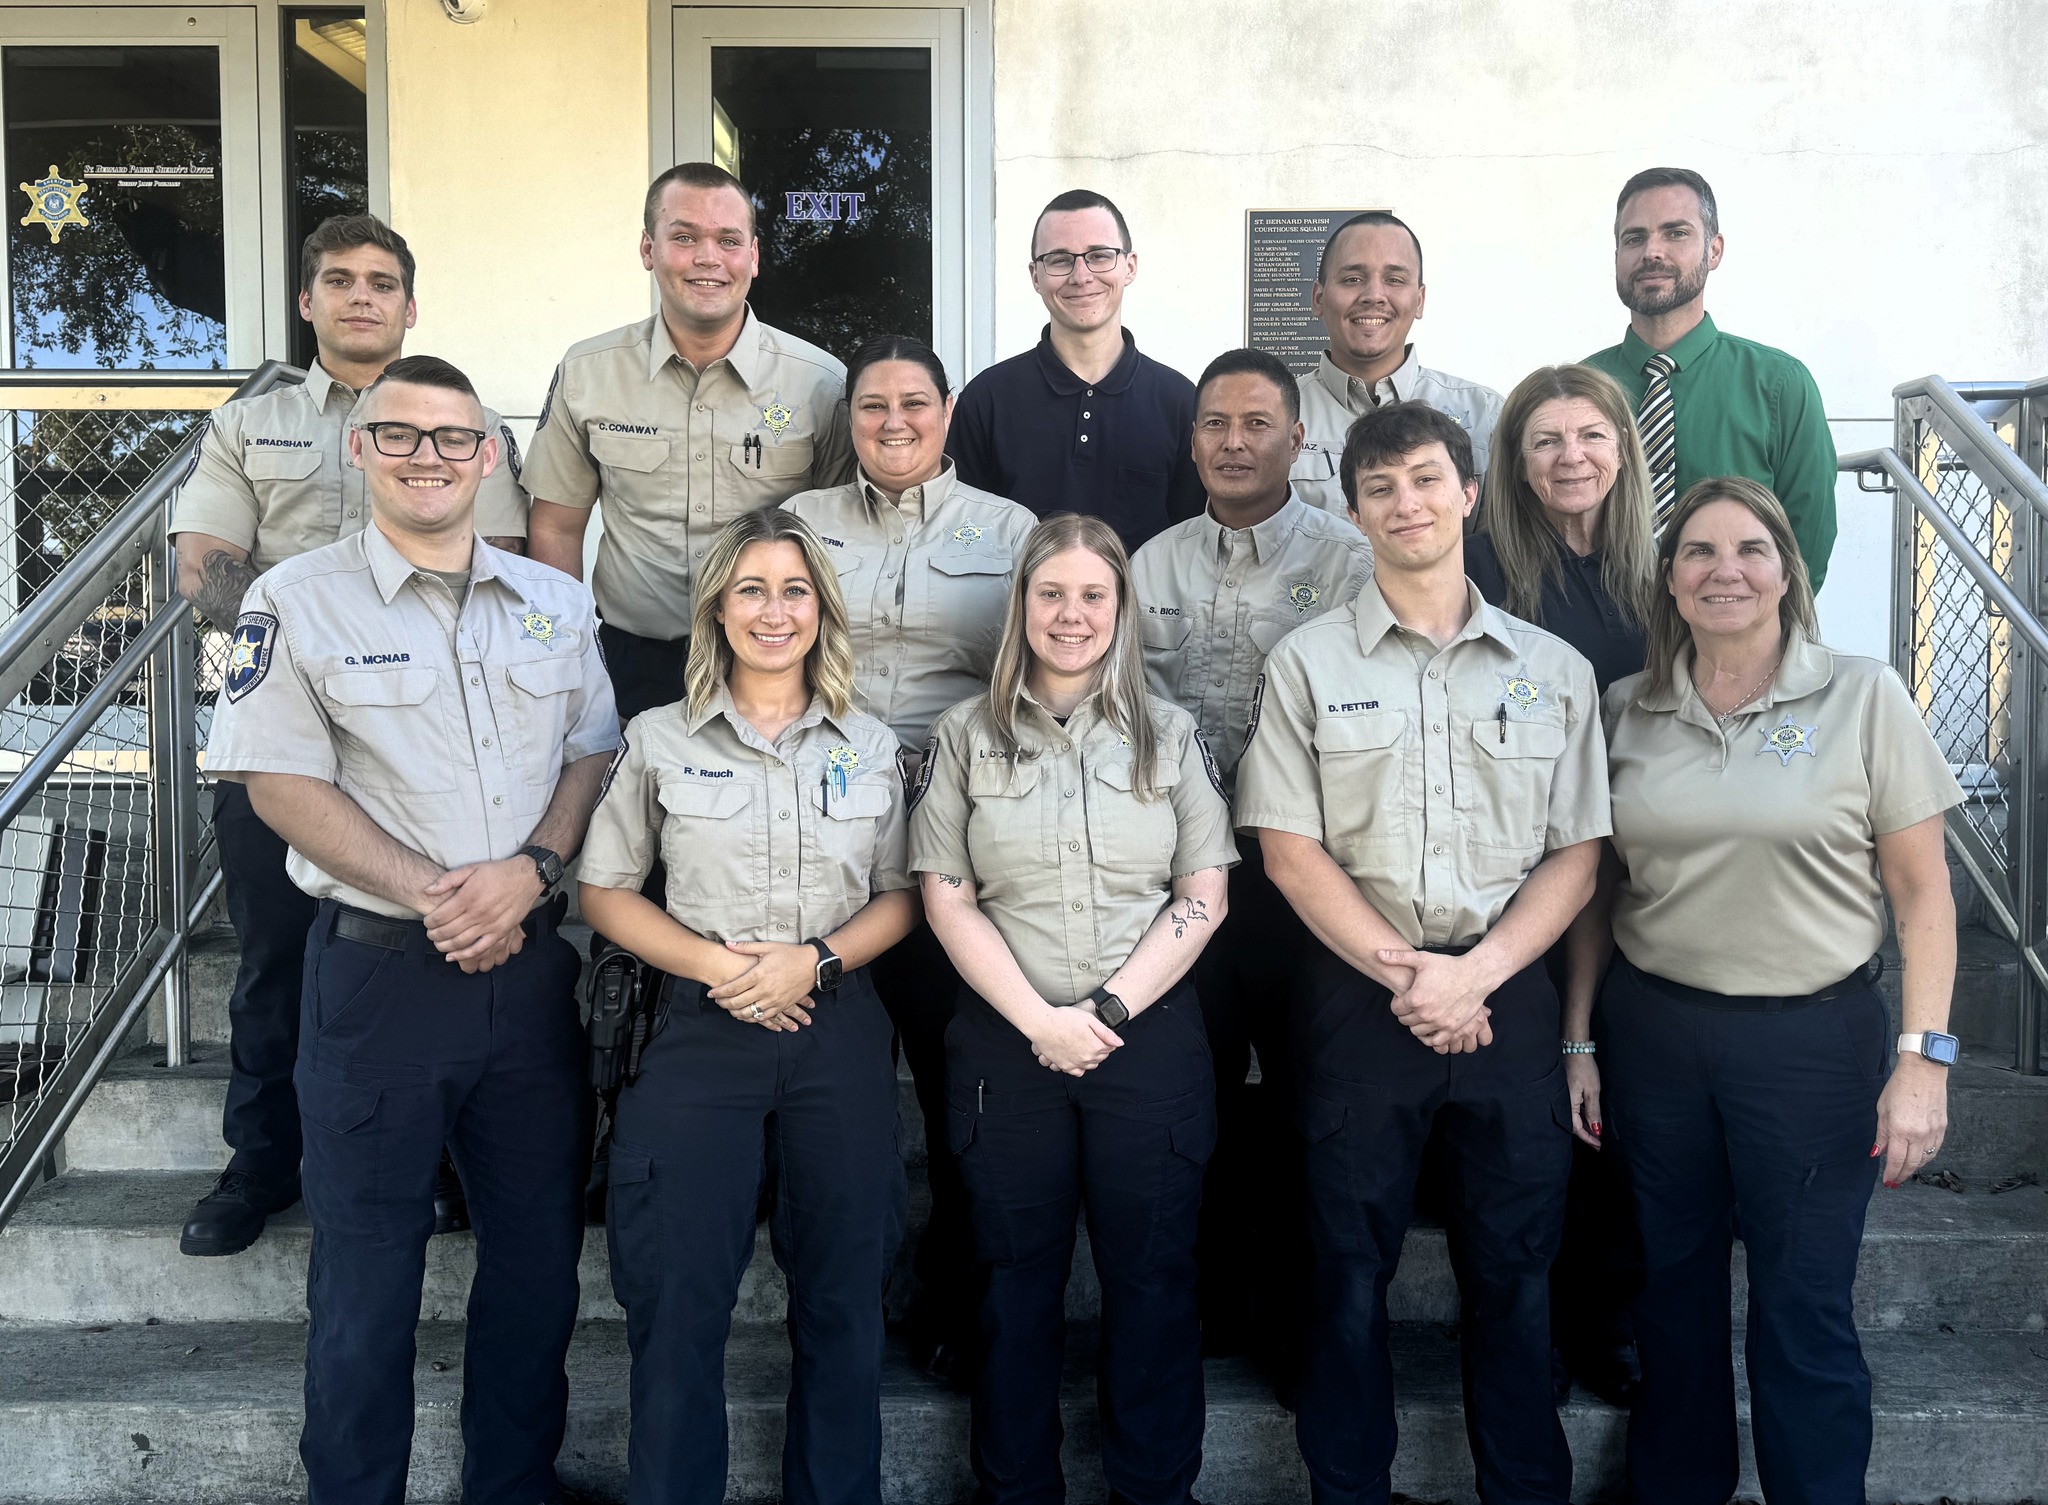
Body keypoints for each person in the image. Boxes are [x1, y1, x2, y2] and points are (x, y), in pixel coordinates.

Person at [205, 355, 619, 1505]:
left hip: (530, 982)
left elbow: (594, 749)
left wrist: (533, 872)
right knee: (364, 1276)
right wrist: (448, 890)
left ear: (489, 456)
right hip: (379, 980)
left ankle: (513, 1483)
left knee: (536, 1264)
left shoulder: (555, 598)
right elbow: (275, 778)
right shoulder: (292, 599)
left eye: (454, 437)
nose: (429, 455)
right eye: (402, 435)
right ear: (359, 448)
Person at [1236, 400, 1609, 1505]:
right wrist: (1413, 975)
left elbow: (1577, 850)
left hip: (1507, 998)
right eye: (1380, 487)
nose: (1406, 503)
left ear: (1467, 493)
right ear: (1351, 511)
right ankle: (1348, 1487)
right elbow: (1287, 847)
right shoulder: (1304, 662)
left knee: (1515, 1269)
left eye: (1424, 480)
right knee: (1346, 1271)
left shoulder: (1551, 668)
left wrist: (1477, 972)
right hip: (1360, 1000)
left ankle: (1522, 1488)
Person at [1589, 476, 1960, 1505]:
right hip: (1655, 1033)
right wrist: (1577, 1039)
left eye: (1749, 549)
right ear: (1667, 580)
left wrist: (1920, 1060)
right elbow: (1594, 886)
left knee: (1801, 1304)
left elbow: (1923, 891)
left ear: (1786, 570)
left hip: (1809, 1042)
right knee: (1669, 1291)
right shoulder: (1628, 707)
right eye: (1698, 552)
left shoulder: (1860, 693)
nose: (1724, 571)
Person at [170, 213, 530, 1258]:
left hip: (428, 737)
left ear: (410, 305)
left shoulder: (464, 424)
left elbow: (485, 566)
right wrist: (317, 633)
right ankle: (261, 1159)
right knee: (274, 956)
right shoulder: (253, 422)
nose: (360, 296)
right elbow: (204, 567)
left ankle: (443, 1159)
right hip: (282, 730)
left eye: (382, 282)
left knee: (444, 944)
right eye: (339, 280)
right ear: (307, 301)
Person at [578, 507, 918, 1505]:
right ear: (717, 608)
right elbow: (602, 889)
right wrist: (722, 968)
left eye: (795, 589)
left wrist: (809, 963)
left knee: (845, 1301)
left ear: (822, 609)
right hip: (691, 1035)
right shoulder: (657, 738)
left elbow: (903, 894)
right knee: (677, 1304)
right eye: (752, 589)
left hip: (837, 1030)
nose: (775, 611)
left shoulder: (868, 740)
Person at [911, 513, 1237, 1505]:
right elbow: (945, 892)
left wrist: (1103, 1007)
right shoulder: (964, 734)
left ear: (1121, 610)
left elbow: (1203, 892)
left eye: (1093, 594)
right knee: (1012, 1288)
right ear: (1021, 605)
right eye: (1050, 592)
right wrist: (1039, 1020)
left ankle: (1153, 1488)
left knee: (1151, 1285)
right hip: (1005, 1050)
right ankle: (1017, 1488)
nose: (1070, 613)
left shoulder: (1171, 734)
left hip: (1144, 1041)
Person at [781, 333, 1036, 1380]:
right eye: (873, 405)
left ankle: (958, 1296)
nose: (893, 422)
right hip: (818, 830)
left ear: (947, 412)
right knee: (828, 1079)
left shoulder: (1009, 529)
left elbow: (1035, 671)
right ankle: (840, 1296)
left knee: (952, 1076)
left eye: (914, 404)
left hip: (951, 826)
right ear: (849, 419)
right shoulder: (799, 525)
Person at [1129, 346, 1370, 1384]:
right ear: (1191, 442)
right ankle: (1210, 1302)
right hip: (1184, 878)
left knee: (1317, 1100)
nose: (1234, 442)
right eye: (1215, 425)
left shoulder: (1351, 559)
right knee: (1200, 1097)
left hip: (1306, 873)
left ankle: (1298, 1325)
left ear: (1296, 438)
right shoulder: (1150, 563)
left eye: (1256, 424)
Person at [1468, 363, 1659, 1406]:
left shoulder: (1657, 568)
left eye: (1588, 435)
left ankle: (1607, 1314)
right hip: (1524, 863)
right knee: (1539, 1115)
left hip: (1641, 862)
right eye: (1543, 440)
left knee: (1615, 1101)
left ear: (1620, 447)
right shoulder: (1485, 564)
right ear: (1512, 459)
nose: (1568, 457)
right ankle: (1526, 1323)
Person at [523, 161, 855, 719]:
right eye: (684, 238)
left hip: (772, 659)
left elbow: (842, 537)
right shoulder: (588, 373)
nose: (708, 258)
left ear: (753, 255)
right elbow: (556, 525)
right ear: (648, 250)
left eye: (728, 240)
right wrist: (562, 654)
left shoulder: (819, 384)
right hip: (632, 661)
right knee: (627, 803)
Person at [1585, 167, 1839, 587]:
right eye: (1634, 238)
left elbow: (1806, 543)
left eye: (1676, 233)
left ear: (1714, 251)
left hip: (1735, 636)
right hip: (1594, 641)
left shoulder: (1780, 385)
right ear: (1616, 257)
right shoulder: (1580, 389)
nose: (1652, 252)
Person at [947, 189, 1203, 555]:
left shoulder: (1180, 402)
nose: (1081, 276)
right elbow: (963, 536)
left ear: (1129, 266)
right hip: (1016, 612)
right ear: (1036, 276)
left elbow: (1193, 544)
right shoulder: (987, 399)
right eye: (1059, 260)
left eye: (1099, 255)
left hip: (1145, 614)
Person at [1293, 211, 1503, 518]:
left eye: (1394, 280)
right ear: (1318, 298)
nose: (1373, 296)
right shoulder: (1277, 417)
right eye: (1353, 279)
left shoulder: (1486, 414)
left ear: (1419, 301)